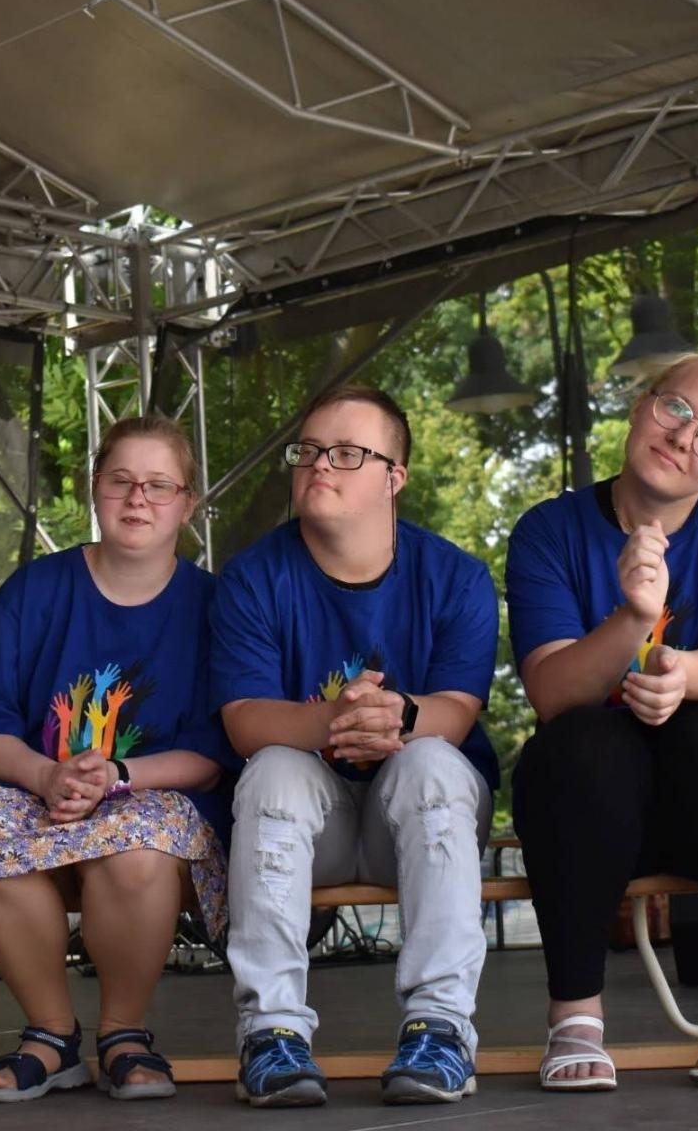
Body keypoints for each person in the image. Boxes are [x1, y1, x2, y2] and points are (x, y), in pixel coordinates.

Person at [506, 350, 698, 1092]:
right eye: (676, 409)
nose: (684, 438)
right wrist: (635, 617)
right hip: (600, 814)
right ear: (644, 404)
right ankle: (575, 1015)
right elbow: (551, 689)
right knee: (575, 742)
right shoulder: (549, 530)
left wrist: (680, 673)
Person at [0, 415, 235, 1104]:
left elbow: (214, 754)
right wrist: (46, 774)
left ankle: (124, 1033)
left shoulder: (216, 606)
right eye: (121, 480)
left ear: (187, 505)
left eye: (160, 486)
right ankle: (51, 1037)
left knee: (137, 848)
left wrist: (116, 778)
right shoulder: (31, 593)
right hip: (37, 789)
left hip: (152, 795)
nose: (138, 499)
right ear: (95, 489)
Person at [210, 385, 500, 1107]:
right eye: (308, 451)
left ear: (394, 477)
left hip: (425, 814)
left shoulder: (455, 575)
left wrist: (397, 713)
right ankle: (271, 1035)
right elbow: (245, 721)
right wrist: (338, 721)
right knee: (273, 769)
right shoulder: (252, 576)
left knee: (432, 756)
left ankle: (441, 1030)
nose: (320, 466)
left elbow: (457, 714)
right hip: (317, 823)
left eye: (347, 453)